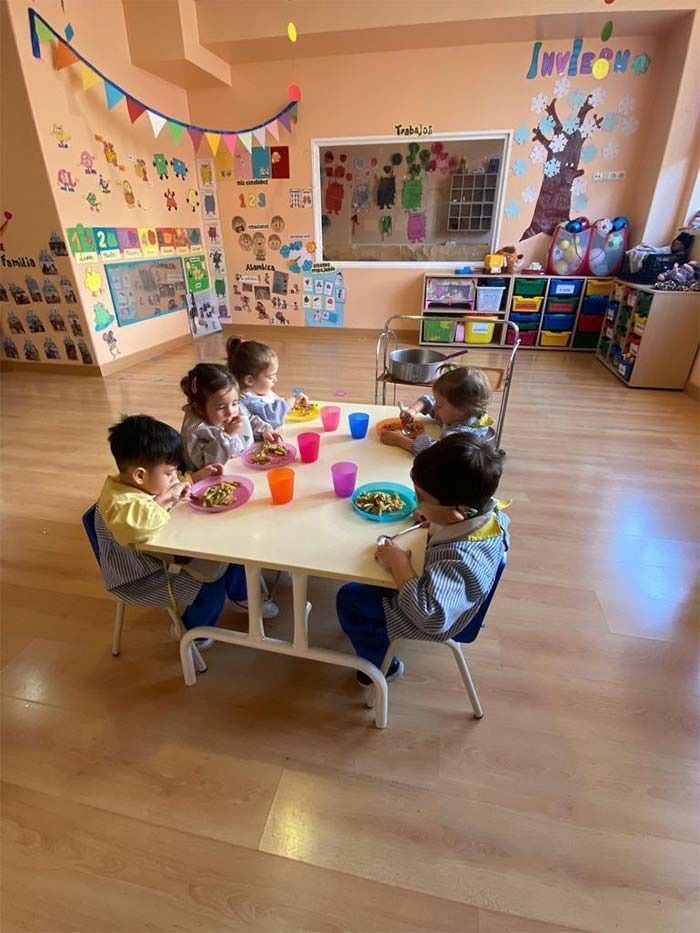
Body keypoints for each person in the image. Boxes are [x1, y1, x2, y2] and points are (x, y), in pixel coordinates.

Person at [336, 433, 509, 683]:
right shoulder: (482, 512)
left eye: (421, 498)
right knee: (367, 580)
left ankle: (382, 667)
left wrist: (400, 565)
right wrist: (436, 520)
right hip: (446, 592)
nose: (416, 505)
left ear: (454, 514)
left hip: (439, 617)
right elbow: (457, 523)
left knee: (350, 598)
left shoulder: (462, 559)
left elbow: (431, 617)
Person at [96, 415, 279, 637]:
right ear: (140, 475)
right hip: (142, 575)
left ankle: (241, 596)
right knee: (211, 582)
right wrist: (166, 498)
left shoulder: (145, 481)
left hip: (164, 555)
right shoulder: (119, 503)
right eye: (169, 473)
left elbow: (170, 483)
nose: (175, 477)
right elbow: (138, 527)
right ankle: (194, 632)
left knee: (231, 549)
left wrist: (194, 478)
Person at [179, 363, 280, 471]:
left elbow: (249, 419)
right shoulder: (197, 431)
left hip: (240, 466)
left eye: (234, 403)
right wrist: (228, 435)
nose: (230, 412)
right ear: (200, 408)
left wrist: (263, 431)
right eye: (221, 407)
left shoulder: (233, 408)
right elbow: (208, 465)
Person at [381, 365, 494, 455]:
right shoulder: (459, 414)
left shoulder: (460, 437)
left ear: (461, 410)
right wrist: (413, 410)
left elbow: (433, 452)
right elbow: (428, 401)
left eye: (439, 406)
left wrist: (399, 440)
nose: (435, 407)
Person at [227, 336, 308, 429]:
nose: (275, 379)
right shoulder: (247, 401)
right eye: (270, 377)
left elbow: (275, 403)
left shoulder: (259, 390)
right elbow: (272, 417)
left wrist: (296, 400)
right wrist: (291, 400)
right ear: (250, 380)